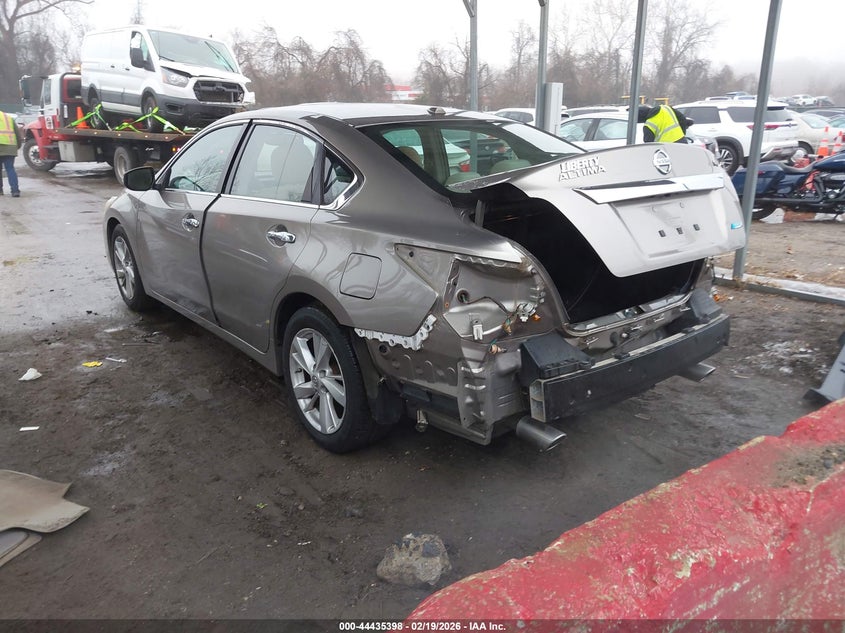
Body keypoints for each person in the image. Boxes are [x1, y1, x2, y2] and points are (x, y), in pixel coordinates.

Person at [0, 110, 22, 197]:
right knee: (10, 168)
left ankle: (0, 191)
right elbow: (17, 134)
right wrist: (17, 146)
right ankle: (15, 190)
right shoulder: (8, 118)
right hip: (10, 147)